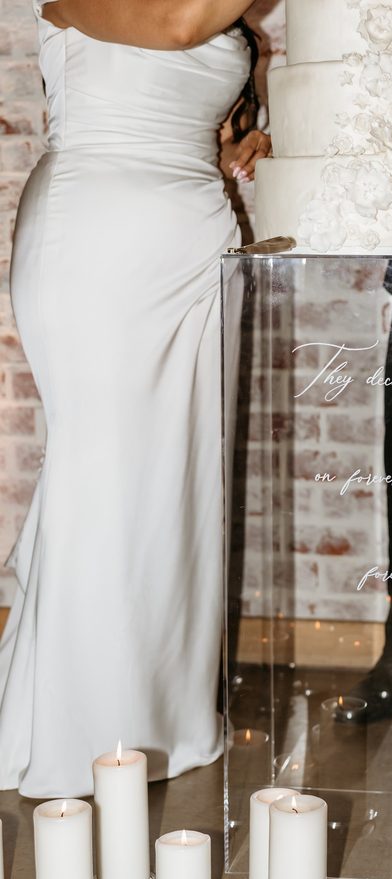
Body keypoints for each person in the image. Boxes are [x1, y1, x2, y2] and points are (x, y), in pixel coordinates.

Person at [0, 0, 271, 798]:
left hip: (192, 240)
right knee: (106, 478)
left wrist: (244, 145)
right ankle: (76, 731)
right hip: (98, 238)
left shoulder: (235, 26)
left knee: (173, 486)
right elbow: (178, 27)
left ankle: (165, 720)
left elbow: (204, 85)